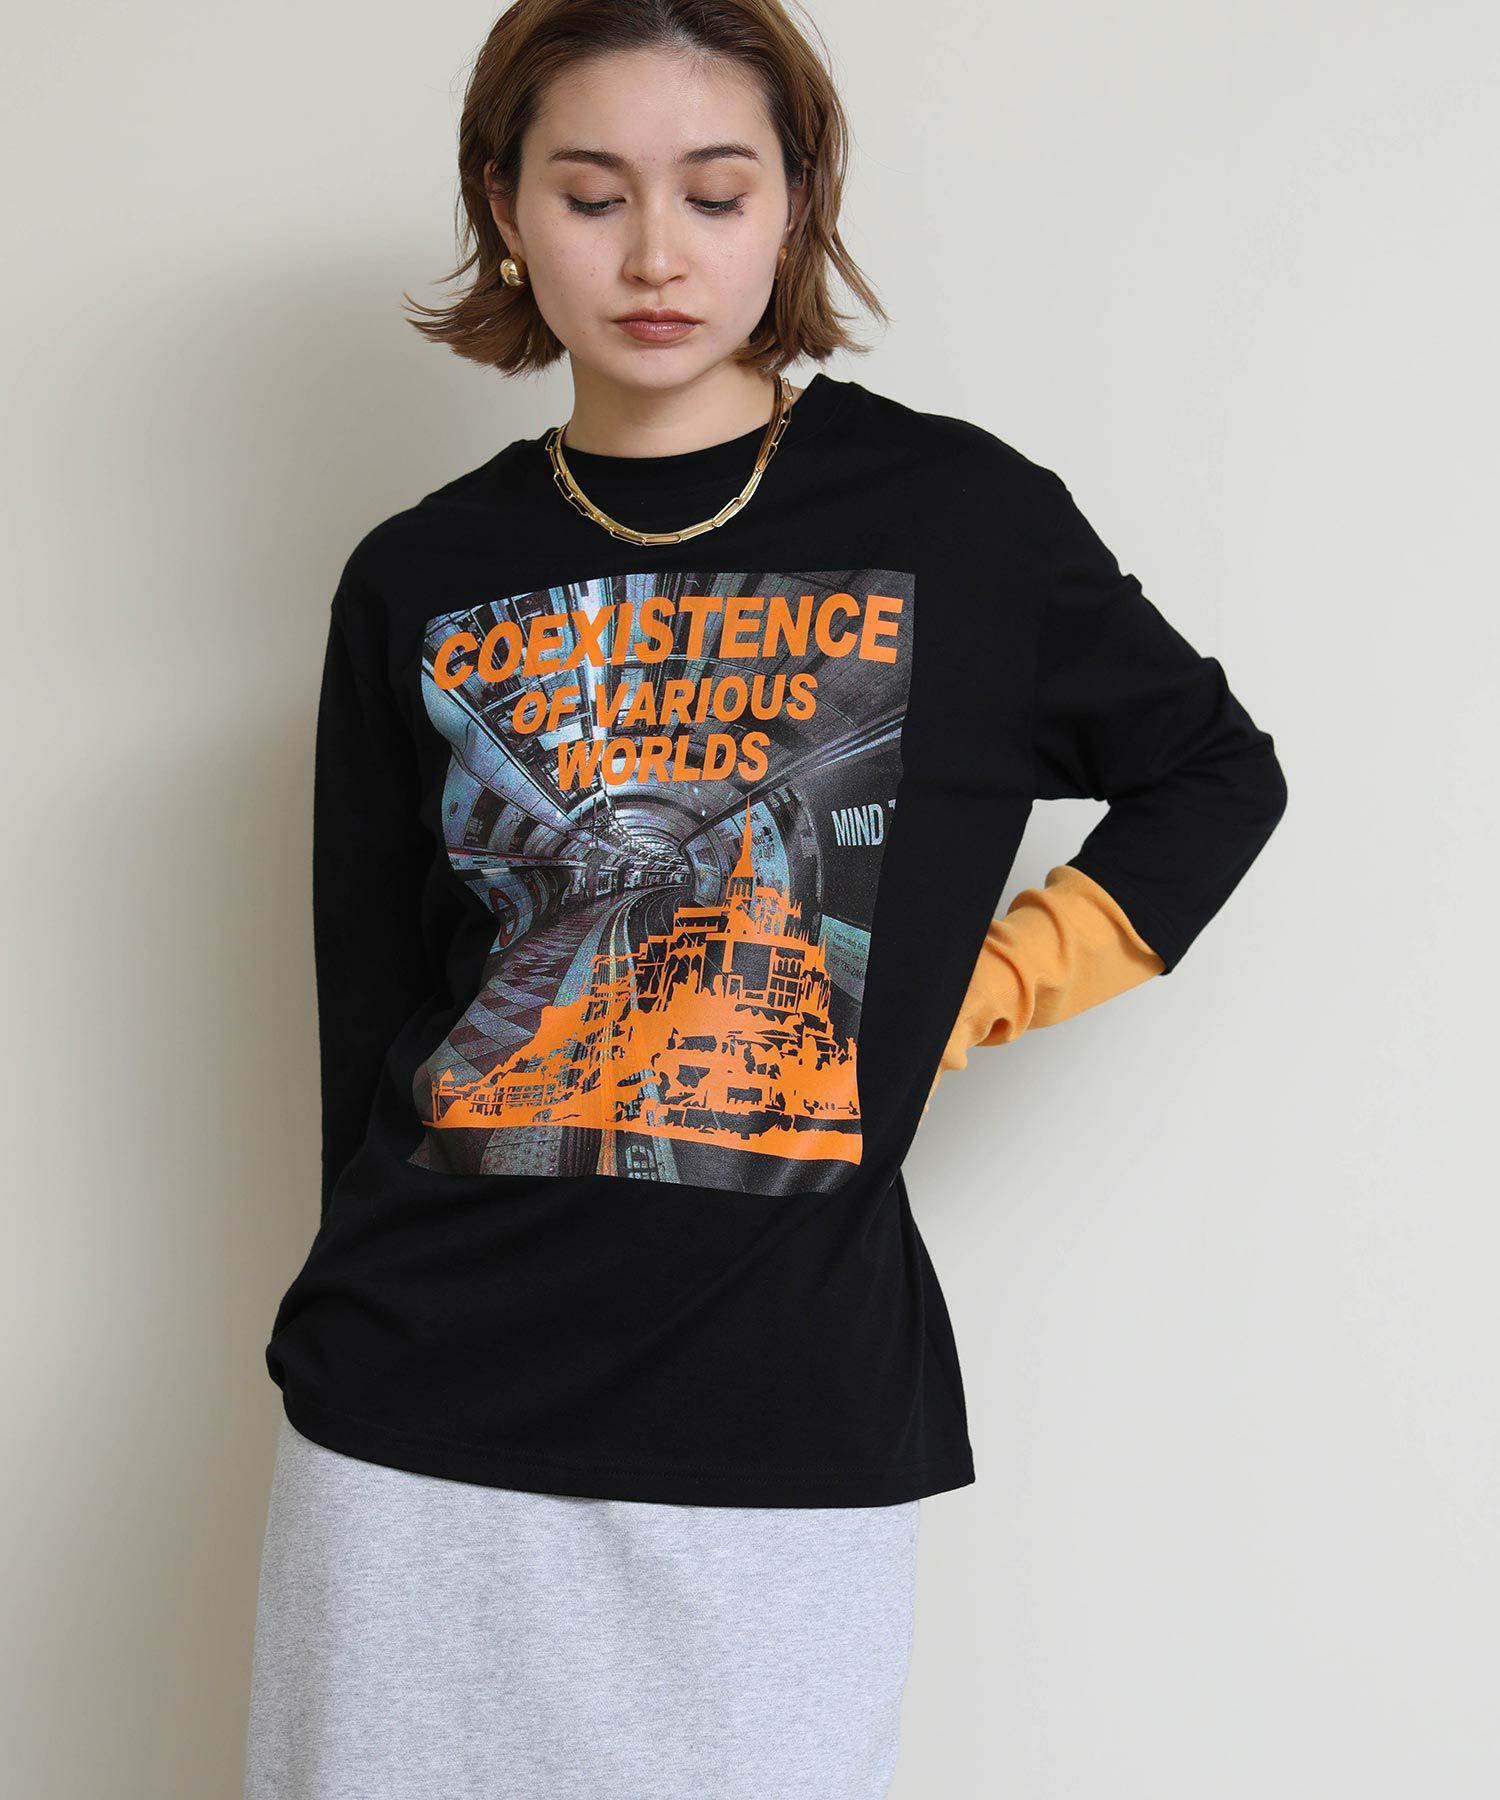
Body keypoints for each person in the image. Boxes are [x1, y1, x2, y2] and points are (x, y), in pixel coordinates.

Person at [244, 1, 1289, 1794]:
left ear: (795, 205)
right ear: (505, 206)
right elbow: (372, 1013)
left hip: (777, 1405)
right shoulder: (420, 572)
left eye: (716, 194)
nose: (656, 254)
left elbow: (1215, 774)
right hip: (415, 1402)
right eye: (592, 195)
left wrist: (973, 995)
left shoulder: (961, 519)